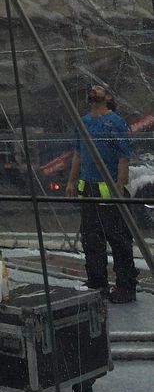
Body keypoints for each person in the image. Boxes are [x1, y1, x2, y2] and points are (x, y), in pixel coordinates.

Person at [65, 82, 138, 303]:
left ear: (108, 98)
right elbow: (78, 154)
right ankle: (97, 282)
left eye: (100, 89)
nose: (94, 90)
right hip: (88, 188)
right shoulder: (83, 122)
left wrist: (119, 185)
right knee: (91, 238)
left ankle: (126, 286)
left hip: (109, 190)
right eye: (92, 88)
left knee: (118, 239)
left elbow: (123, 157)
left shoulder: (115, 121)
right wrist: (71, 181)